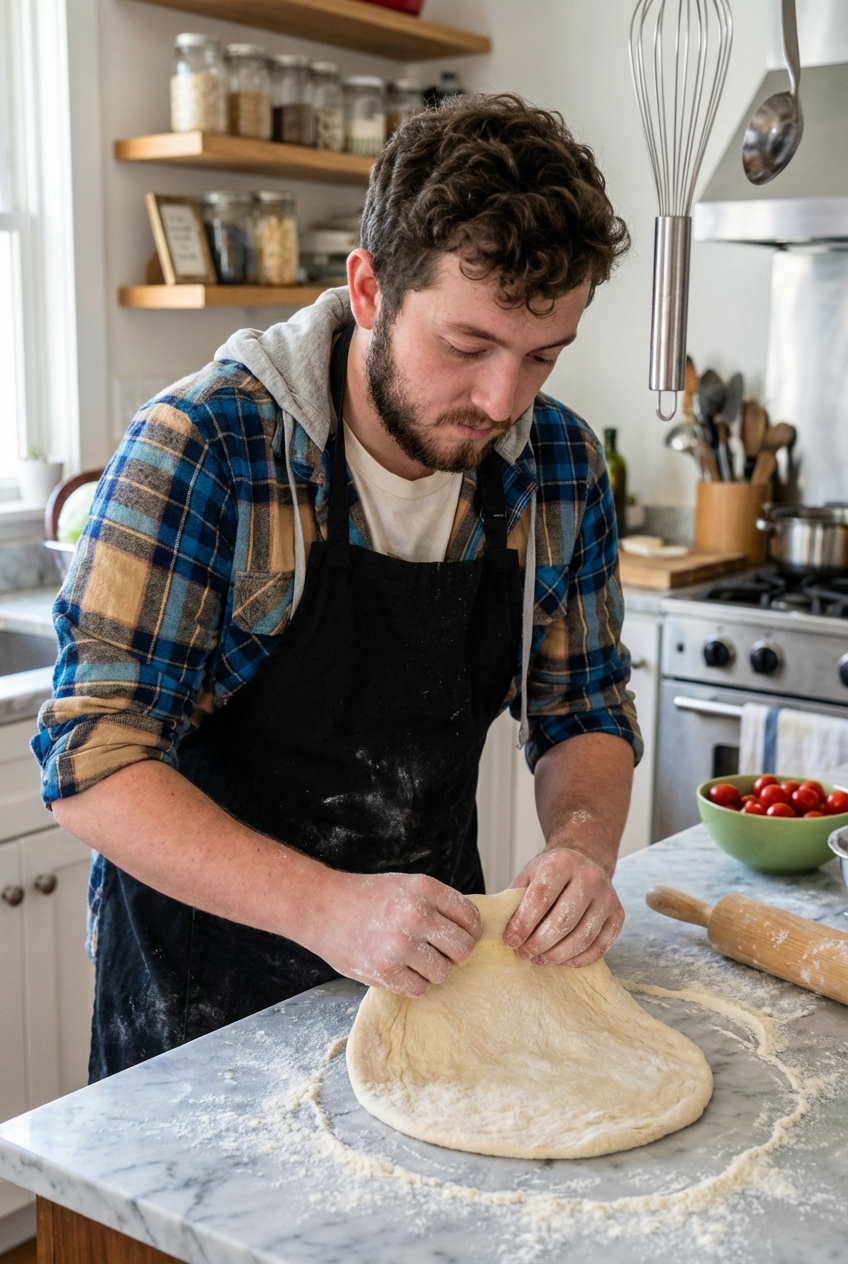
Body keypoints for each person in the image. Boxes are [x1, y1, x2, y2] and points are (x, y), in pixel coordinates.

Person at [34, 94, 642, 1081]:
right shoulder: (205, 449)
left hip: (429, 973)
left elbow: (582, 709)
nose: (502, 400)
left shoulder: (557, 463)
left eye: (540, 356)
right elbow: (92, 757)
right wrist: (327, 907)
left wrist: (582, 844)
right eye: (466, 345)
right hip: (198, 1008)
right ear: (368, 289)